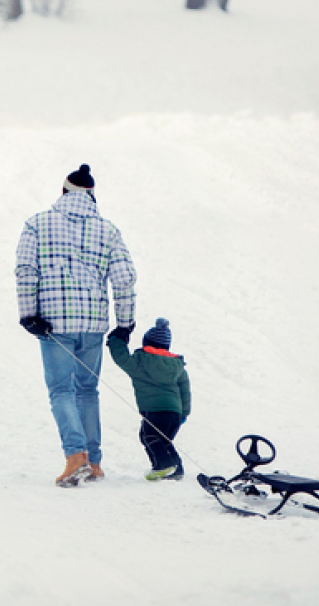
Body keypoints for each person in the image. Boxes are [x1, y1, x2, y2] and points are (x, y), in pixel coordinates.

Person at [15, 164, 137, 487]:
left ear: (64, 192)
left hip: (54, 324)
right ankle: (94, 463)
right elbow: (124, 278)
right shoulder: (108, 230)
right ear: (91, 196)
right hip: (93, 324)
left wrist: (29, 314)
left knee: (60, 389)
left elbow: (26, 269)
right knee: (87, 390)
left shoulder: (37, 224)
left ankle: (75, 457)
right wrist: (125, 325)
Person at [106, 317, 192, 481]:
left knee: (149, 436)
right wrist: (184, 414)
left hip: (154, 411)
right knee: (164, 440)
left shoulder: (140, 361)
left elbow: (121, 357)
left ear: (146, 343)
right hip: (175, 412)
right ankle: (176, 468)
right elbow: (185, 390)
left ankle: (163, 465)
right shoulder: (176, 366)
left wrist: (116, 340)